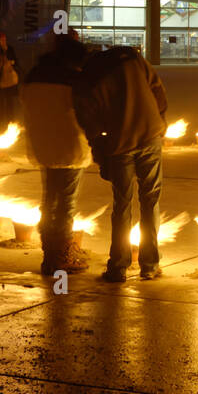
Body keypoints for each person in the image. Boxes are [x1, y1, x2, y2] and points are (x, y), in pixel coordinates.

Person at [74, 44, 169, 283]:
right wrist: (160, 122)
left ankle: (118, 268)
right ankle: (150, 265)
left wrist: (100, 155)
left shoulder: (88, 77)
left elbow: (90, 122)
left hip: (119, 143)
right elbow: (158, 91)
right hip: (150, 135)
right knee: (150, 200)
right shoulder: (133, 60)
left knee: (122, 205)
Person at [23, 36, 92, 275]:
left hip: (42, 145)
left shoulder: (34, 76)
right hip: (69, 147)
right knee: (65, 205)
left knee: (49, 201)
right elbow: (85, 115)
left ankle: (48, 255)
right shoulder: (72, 80)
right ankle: (61, 257)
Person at [0, 32, 21, 126]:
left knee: (9, 100)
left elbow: (15, 61)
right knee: (0, 100)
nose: (2, 41)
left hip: (8, 77)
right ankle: (0, 117)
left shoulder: (9, 49)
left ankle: (10, 118)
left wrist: (11, 62)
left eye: (4, 39)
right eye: (1, 39)